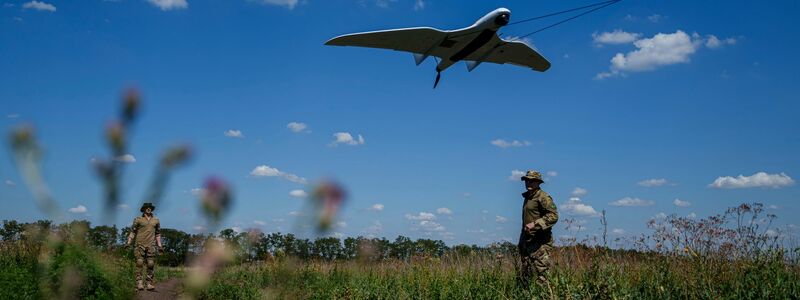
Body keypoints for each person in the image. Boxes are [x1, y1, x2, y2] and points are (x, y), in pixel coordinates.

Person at [517, 170, 559, 286]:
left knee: (543, 274)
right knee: (526, 274)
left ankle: (546, 296)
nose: (528, 183)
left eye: (532, 180)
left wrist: (535, 224)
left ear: (538, 182)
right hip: (528, 241)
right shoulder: (528, 197)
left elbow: (554, 216)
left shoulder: (543, 197)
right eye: (527, 180)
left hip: (541, 242)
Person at [126, 202, 164, 291]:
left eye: (150, 207)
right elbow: (133, 232)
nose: (148, 208)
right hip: (139, 244)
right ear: (143, 209)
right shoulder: (138, 219)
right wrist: (128, 243)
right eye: (146, 207)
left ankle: (149, 283)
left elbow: (158, 234)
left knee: (150, 264)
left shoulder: (156, 220)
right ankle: (139, 283)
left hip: (151, 245)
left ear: (152, 209)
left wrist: (160, 246)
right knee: (139, 263)